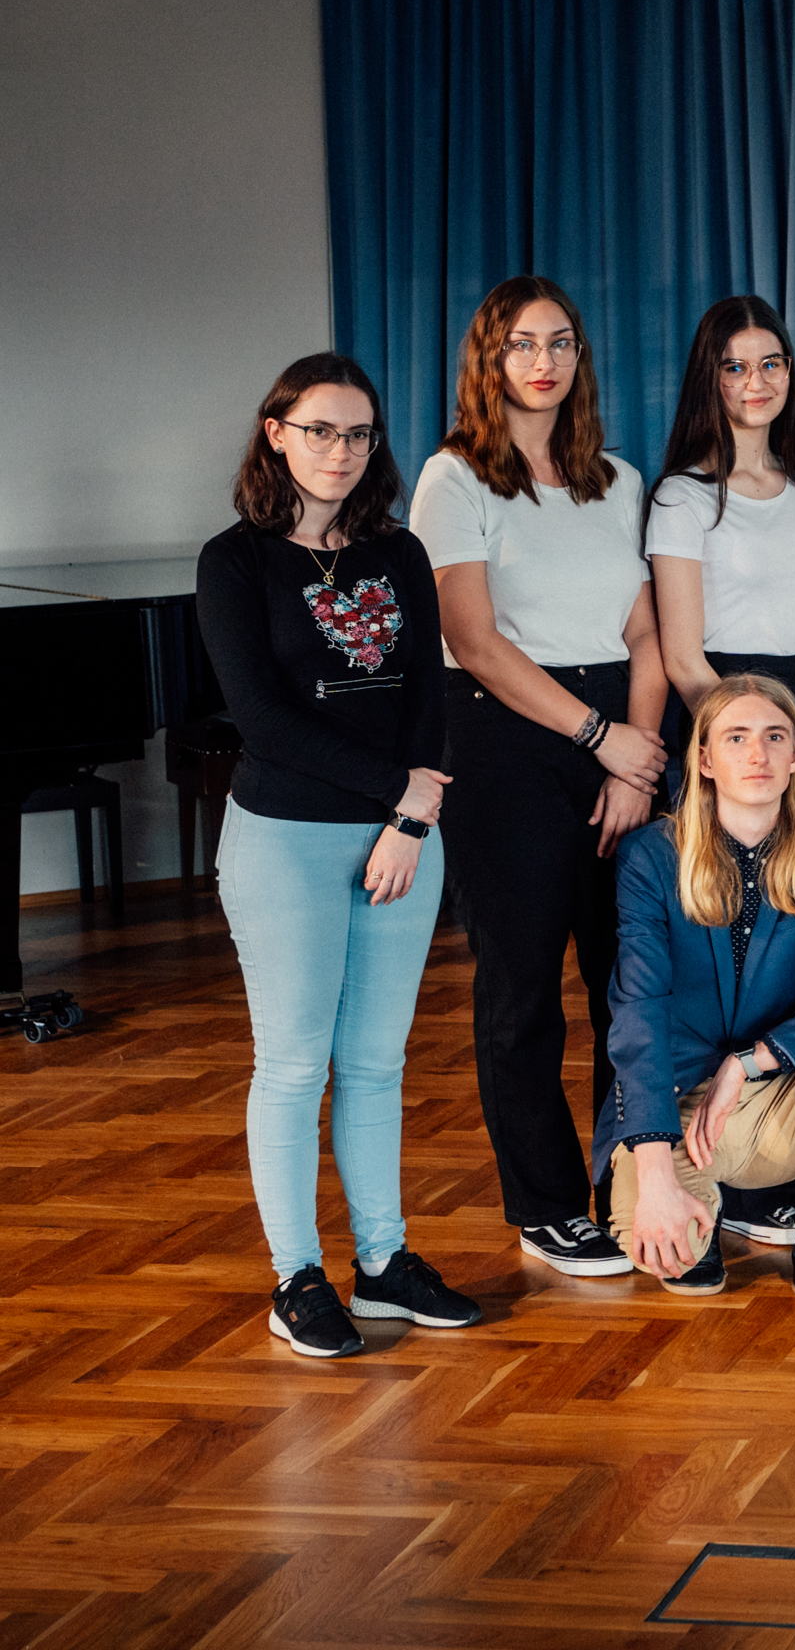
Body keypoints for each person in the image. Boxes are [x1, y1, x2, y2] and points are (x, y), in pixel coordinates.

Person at [199, 351, 483, 1358]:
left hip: (402, 840)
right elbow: (262, 719)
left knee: (375, 1061)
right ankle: (296, 1278)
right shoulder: (235, 561)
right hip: (286, 840)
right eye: (320, 429)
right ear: (276, 432)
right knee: (292, 1064)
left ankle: (384, 1261)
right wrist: (400, 792)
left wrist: (410, 822)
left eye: (359, 432)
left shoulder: (398, 552)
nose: (341, 449)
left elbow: (425, 694)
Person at [411, 277, 669, 1280]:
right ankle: (549, 1207)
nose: (544, 361)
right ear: (490, 357)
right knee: (523, 991)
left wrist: (637, 759)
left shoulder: (618, 479)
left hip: (618, 740)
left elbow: (645, 632)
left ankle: (631, 1186)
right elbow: (473, 640)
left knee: (629, 986)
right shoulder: (454, 478)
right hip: (502, 737)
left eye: (561, 342)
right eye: (522, 343)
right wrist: (599, 734)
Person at [605, 675, 795, 1334]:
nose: (758, 755)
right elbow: (638, 1012)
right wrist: (654, 1173)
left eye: (775, 737)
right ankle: (699, 1206)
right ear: (704, 759)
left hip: (779, 1096)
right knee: (673, 1255)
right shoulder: (651, 856)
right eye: (736, 738)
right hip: (678, 1108)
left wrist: (748, 1061)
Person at [646, 296, 795, 814]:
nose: (756, 383)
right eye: (735, 368)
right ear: (710, 378)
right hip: (725, 707)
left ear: (789, 370)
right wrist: (746, 740)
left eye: (770, 364)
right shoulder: (682, 496)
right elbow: (682, 657)